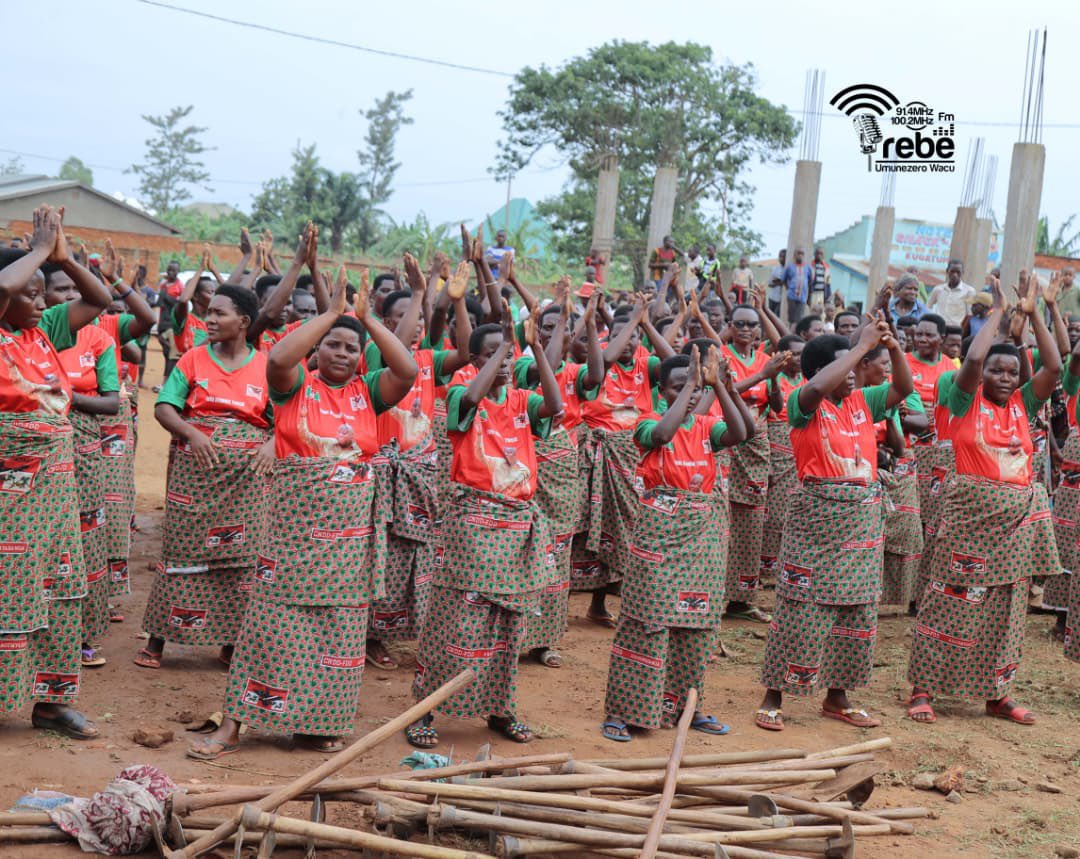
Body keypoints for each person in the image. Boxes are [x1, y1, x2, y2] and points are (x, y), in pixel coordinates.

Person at [188, 269, 418, 759]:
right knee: (270, 624)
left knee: (338, 631)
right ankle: (234, 725)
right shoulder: (294, 388)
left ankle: (318, 723)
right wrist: (333, 314)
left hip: (351, 540)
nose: (341, 354)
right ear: (318, 350)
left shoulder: (370, 392)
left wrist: (366, 320)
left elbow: (408, 372)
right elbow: (277, 356)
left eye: (350, 349)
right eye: (332, 345)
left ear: (361, 358)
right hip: (294, 535)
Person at [906, 279, 1061, 725]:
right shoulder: (961, 400)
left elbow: (1052, 367)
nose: (1004, 378)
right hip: (969, 521)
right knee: (950, 601)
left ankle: (997, 694)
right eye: (997, 371)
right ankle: (923, 688)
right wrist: (998, 310)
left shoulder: (1023, 405)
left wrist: (1034, 314)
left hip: (1017, 524)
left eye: (1012, 373)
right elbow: (973, 357)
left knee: (1007, 610)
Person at [407, 304, 562, 748]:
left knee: (508, 624)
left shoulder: (521, 401)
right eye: (493, 354)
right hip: (472, 525)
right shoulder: (459, 393)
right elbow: (472, 400)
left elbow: (554, 405)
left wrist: (534, 348)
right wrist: (505, 349)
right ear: (476, 361)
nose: (505, 361)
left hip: (517, 527)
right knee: (456, 620)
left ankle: (500, 707)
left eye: (508, 356)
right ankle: (425, 708)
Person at [755, 318, 913, 731]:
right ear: (822, 372)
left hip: (860, 521)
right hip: (816, 522)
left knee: (856, 611)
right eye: (843, 368)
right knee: (800, 610)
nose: (853, 376)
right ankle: (774, 694)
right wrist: (861, 346)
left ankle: (838, 697)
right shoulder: (803, 403)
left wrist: (893, 348)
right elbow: (818, 388)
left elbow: (904, 390)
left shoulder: (863, 402)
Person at [0, 207, 112, 740]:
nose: (44, 303)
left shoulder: (43, 330)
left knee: (61, 586)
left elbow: (100, 301)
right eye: (33, 292)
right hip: (9, 490)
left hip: (53, 487)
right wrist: (38, 251)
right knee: (8, 585)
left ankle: (50, 702)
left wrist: (63, 256)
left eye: (46, 293)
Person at [601, 347, 747, 741]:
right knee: (647, 619)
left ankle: (687, 705)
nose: (690, 393)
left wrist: (721, 387)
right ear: (662, 391)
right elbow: (664, 434)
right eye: (678, 387)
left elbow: (742, 432)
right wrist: (695, 386)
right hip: (659, 538)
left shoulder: (706, 427)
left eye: (693, 387)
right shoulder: (647, 423)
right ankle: (623, 710)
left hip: (703, 538)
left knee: (696, 625)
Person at [136, 285, 274, 670]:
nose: (209, 319)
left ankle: (230, 644)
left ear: (243, 322)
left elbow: (286, 419)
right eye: (208, 312)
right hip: (195, 478)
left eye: (219, 313)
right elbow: (164, 407)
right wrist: (192, 432)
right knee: (181, 551)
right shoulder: (193, 358)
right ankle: (157, 640)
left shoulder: (266, 366)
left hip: (247, 481)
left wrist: (272, 444)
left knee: (240, 561)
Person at [365, 257, 473, 671]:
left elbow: (464, 353)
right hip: (384, 471)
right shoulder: (377, 354)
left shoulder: (427, 360)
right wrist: (418, 294)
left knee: (416, 556)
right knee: (383, 553)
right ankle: (372, 635)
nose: (409, 328)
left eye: (411, 320)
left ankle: (401, 628)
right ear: (385, 323)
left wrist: (458, 302)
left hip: (420, 472)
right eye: (398, 319)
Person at [514, 287, 602, 668]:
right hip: (527, 468)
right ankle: (513, 635)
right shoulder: (520, 364)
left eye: (560, 328)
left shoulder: (576, 371)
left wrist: (589, 322)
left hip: (565, 471)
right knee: (523, 552)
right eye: (546, 327)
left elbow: (597, 373)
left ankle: (545, 639)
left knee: (557, 554)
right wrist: (561, 321)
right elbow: (542, 368)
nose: (554, 333)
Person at [574, 297, 673, 625]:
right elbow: (603, 357)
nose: (627, 342)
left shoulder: (647, 365)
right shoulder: (597, 364)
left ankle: (611, 601)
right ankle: (580, 599)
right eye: (620, 335)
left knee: (629, 527)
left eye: (633, 337)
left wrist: (644, 324)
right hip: (595, 454)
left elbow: (676, 363)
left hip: (633, 455)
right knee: (588, 525)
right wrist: (630, 324)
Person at [45, 265, 121, 668]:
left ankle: (80, 635)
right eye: (60, 289)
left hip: (83, 441)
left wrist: (61, 397)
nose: (69, 296)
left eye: (74, 288)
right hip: (39, 441)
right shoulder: (39, 334)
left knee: (83, 536)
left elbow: (111, 401)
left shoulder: (97, 338)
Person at [723, 304, 786, 622]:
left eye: (752, 324)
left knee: (750, 524)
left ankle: (741, 600)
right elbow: (721, 390)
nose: (746, 329)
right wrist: (761, 376)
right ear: (730, 326)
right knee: (721, 520)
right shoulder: (721, 356)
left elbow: (776, 404)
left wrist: (772, 379)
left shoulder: (765, 360)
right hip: (724, 442)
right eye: (740, 324)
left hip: (757, 444)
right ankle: (714, 593)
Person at [856, 343, 926, 609]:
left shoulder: (889, 398)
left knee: (905, 533)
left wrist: (889, 415)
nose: (888, 369)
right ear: (864, 363)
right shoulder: (853, 395)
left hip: (894, 469)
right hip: (864, 473)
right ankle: (863, 593)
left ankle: (896, 598)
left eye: (890, 363)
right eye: (883, 363)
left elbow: (899, 445)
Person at [761, 335, 804, 578]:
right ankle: (765, 567)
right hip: (775, 449)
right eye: (794, 354)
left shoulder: (807, 379)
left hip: (798, 451)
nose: (798, 359)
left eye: (801, 354)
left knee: (792, 511)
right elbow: (767, 415)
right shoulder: (771, 378)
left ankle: (785, 563)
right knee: (773, 513)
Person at [926, 260, 976, 327]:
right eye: (952, 271)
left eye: (958, 272)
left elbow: (969, 314)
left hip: (957, 329)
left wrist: (963, 330)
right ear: (947, 271)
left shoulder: (969, 291)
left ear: (962, 272)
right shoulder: (938, 289)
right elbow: (928, 307)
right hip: (939, 328)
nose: (955, 275)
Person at [782, 248, 813, 324]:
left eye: (802, 254)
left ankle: (797, 333)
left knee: (800, 317)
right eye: (798, 253)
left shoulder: (807, 267)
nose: (800, 255)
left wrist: (806, 292)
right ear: (794, 255)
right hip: (792, 296)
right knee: (792, 318)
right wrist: (788, 288)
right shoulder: (790, 267)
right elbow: (783, 279)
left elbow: (810, 280)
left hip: (802, 297)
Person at [767, 249, 786, 316]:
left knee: (777, 317)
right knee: (770, 316)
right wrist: (779, 282)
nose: (781, 258)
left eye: (783, 257)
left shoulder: (788, 269)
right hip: (772, 298)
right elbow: (769, 284)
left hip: (781, 301)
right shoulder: (775, 269)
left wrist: (780, 282)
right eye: (780, 256)